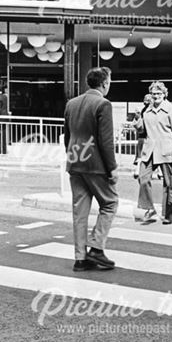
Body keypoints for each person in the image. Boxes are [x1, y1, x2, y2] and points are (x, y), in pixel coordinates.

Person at [63, 66, 119, 271]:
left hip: (75, 162)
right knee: (110, 203)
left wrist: (72, 157)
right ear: (105, 83)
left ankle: (80, 259)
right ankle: (96, 246)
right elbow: (106, 141)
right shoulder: (103, 104)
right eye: (110, 81)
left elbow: (67, 137)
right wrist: (112, 168)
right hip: (95, 165)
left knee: (79, 213)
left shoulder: (71, 104)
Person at [136, 81, 172, 225]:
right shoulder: (147, 110)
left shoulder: (170, 109)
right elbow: (141, 131)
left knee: (168, 184)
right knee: (143, 179)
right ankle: (149, 208)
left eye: (159, 93)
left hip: (166, 150)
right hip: (149, 150)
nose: (156, 96)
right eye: (153, 93)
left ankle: (169, 214)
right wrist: (137, 120)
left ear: (164, 94)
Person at [132, 94, 152, 178]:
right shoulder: (151, 111)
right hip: (148, 137)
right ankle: (160, 173)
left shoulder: (142, 111)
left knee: (140, 155)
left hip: (141, 136)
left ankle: (137, 171)